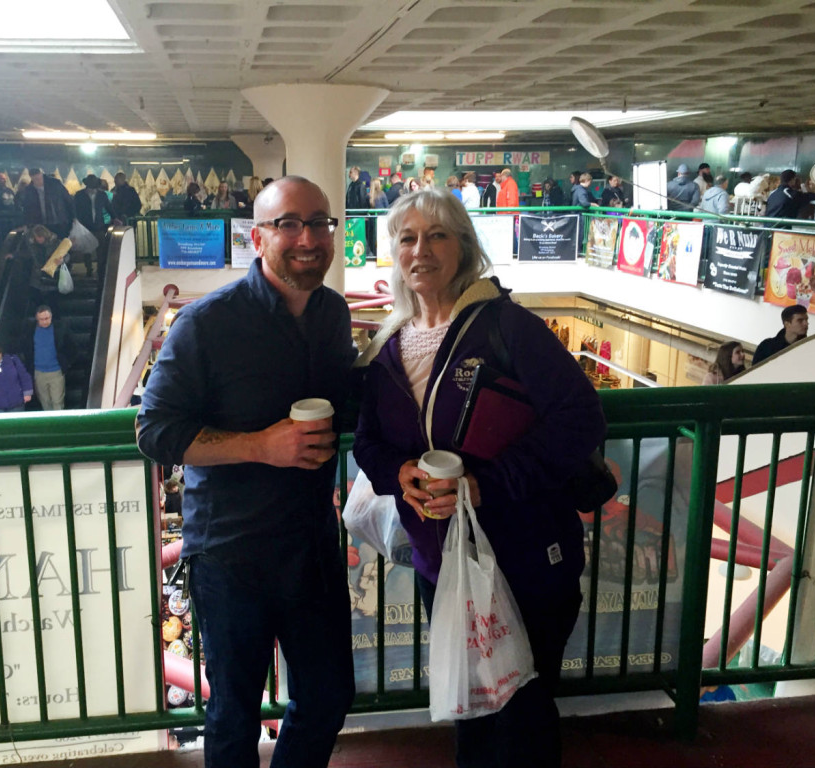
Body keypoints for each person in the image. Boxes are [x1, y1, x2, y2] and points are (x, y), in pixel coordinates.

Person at [352, 187, 606, 768]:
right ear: (393, 252)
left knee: (523, 710)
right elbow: (368, 441)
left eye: (438, 234)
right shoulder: (389, 346)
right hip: (440, 563)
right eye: (407, 238)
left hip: (524, 558)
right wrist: (400, 474)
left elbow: (581, 418)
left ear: (463, 247)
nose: (422, 250)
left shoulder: (507, 327)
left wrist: (484, 484)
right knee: (470, 702)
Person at [136, 175, 356, 767]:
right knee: (232, 712)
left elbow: (349, 399)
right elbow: (156, 433)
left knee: (329, 694)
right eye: (289, 224)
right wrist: (262, 446)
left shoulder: (333, 314)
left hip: (309, 541)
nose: (307, 237)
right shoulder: (206, 324)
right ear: (257, 238)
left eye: (319, 223)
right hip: (231, 550)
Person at [24, 305, 73, 411]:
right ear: (37, 319)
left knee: (57, 402)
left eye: (47, 318)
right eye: (41, 319)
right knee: (45, 401)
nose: (45, 321)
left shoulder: (60, 328)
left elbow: (72, 347)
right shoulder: (31, 330)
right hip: (39, 372)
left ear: (51, 317)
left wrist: (66, 363)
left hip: (56, 371)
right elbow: (27, 349)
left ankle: (58, 425)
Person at [74, 174, 117, 277]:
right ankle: (90, 268)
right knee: (87, 249)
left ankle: (99, 269)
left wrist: (115, 217)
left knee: (100, 248)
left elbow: (108, 207)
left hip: (98, 225)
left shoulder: (100, 195)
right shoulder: (80, 195)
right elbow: (74, 209)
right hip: (86, 225)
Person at [18, 168, 75, 240]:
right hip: (42, 224)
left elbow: (68, 200)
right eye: (35, 179)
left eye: (39, 178)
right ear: (31, 178)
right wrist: (27, 223)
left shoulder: (55, 184)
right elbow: (27, 209)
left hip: (59, 222)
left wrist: (74, 217)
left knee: (60, 243)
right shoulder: (29, 190)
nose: (38, 181)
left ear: (42, 175)